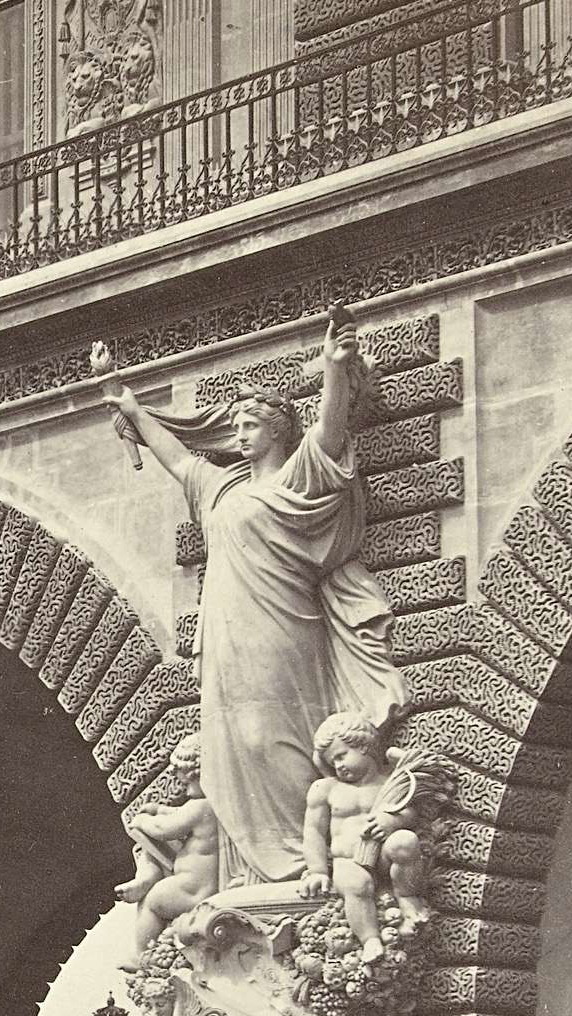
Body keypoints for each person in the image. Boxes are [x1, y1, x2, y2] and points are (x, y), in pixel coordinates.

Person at [110, 313, 408, 883]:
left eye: (252, 426)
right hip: (223, 634)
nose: (241, 435)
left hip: (283, 627)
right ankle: (248, 870)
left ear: (277, 432)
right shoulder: (219, 488)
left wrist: (335, 371)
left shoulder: (297, 478)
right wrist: (132, 408)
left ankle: (302, 857)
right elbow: (179, 460)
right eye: (238, 426)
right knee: (234, 738)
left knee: (276, 733)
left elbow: (329, 433)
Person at [300, 710, 434, 961]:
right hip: (347, 861)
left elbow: (409, 813)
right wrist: (317, 870)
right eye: (332, 762)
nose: (337, 766)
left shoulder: (389, 782)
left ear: (363, 745)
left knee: (405, 842)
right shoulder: (326, 788)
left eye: (341, 756)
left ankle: (407, 897)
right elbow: (314, 832)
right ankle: (370, 939)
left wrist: (391, 821)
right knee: (357, 885)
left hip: (382, 857)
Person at [116, 735, 219, 967]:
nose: (187, 792)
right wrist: (160, 809)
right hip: (194, 882)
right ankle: (145, 878)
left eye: (188, 784)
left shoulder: (200, 806)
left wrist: (143, 821)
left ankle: (144, 954)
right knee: (149, 851)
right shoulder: (215, 805)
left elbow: (164, 829)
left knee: (152, 902)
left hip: (193, 888)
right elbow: (177, 816)